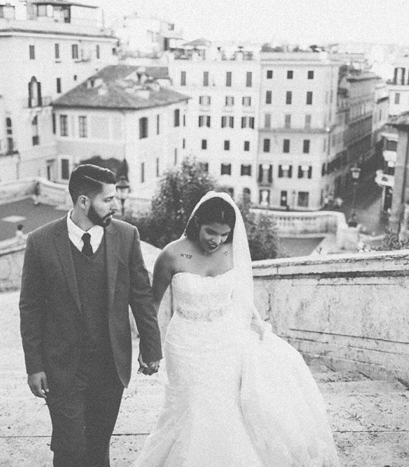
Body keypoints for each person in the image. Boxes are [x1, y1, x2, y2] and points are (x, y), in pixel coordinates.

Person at [131, 191, 340, 467]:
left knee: (224, 408)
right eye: (210, 232)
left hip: (225, 341)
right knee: (190, 407)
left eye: (223, 234)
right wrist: (149, 348)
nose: (216, 240)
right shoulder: (171, 255)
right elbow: (152, 304)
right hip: (184, 344)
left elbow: (241, 297)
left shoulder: (233, 252)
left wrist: (255, 326)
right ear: (196, 224)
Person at [19, 164, 162, 467]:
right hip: (62, 367)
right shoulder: (41, 242)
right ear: (84, 201)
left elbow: (141, 296)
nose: (116, 204)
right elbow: (30, 306)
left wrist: (151, 348)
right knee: (70, 447)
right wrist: (34, 365)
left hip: (110, 365)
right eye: (107, 199)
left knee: (98, 446)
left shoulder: (126, 236)